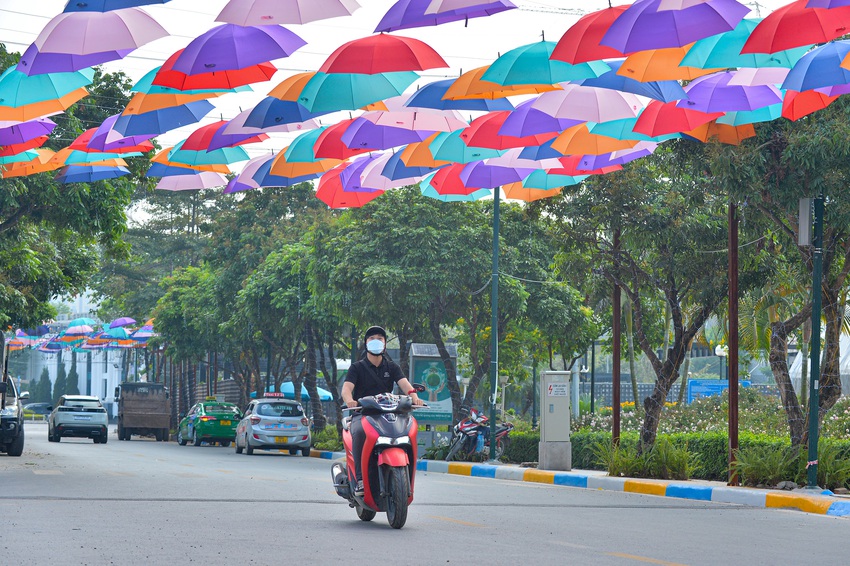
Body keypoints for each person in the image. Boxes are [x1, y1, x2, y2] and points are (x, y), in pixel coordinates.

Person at [341, 326, 423, 496]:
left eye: (380, 338)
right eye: (372, 338)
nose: (376, 341)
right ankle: (360, 480)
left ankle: (406, 478)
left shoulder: (392, 367)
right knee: (359, 434)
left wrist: (414, 396)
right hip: (362, 414)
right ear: (366, 343)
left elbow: (405, 385)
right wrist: (349, 400)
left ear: (385, 343)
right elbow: (346, 389)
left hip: (386, 413)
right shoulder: (357, 368)